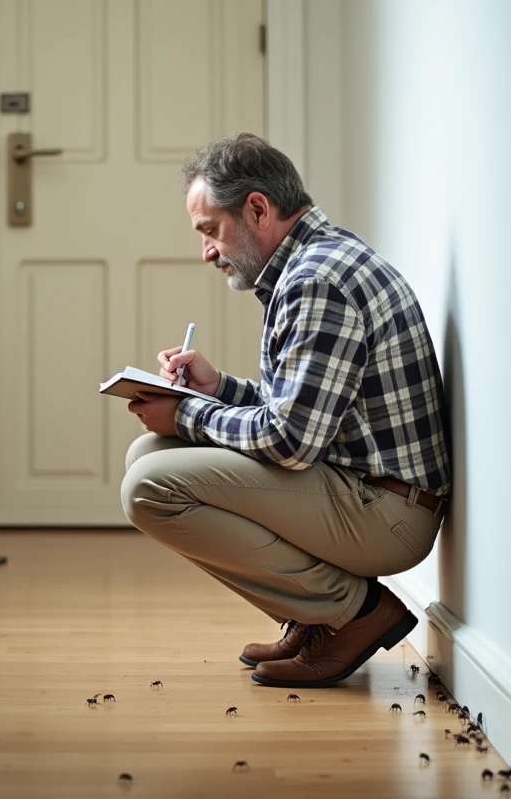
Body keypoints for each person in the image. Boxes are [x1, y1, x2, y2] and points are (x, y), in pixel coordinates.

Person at [121, 133, 451, 689]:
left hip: (387, 512)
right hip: (358, 486)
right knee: (147, 452)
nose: (206, 252)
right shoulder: (316, 263)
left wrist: (184, 416)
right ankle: (316, 615)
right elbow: (306, 413)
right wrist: (217, 387)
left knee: (150, 485)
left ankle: (355, 613)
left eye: (210, 230)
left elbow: (290, 442)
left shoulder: (316, 281)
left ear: (257, 209)